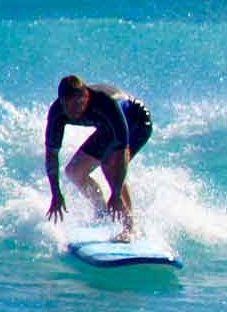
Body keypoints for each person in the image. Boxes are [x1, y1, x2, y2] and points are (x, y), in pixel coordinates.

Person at [43, 75, 154, 240]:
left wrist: (116, 194)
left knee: (110, 166)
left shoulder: (105, 104)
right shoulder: (57, 113)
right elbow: (51, 154)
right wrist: (55, 192)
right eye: (68, 106)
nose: (74, 112)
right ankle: (103, 215)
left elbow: (121, 150)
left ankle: (130, 227)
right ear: (61, 102)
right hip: (107, 127)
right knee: (74, 171)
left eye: (78, 105)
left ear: (86, 97)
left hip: (137, 119)